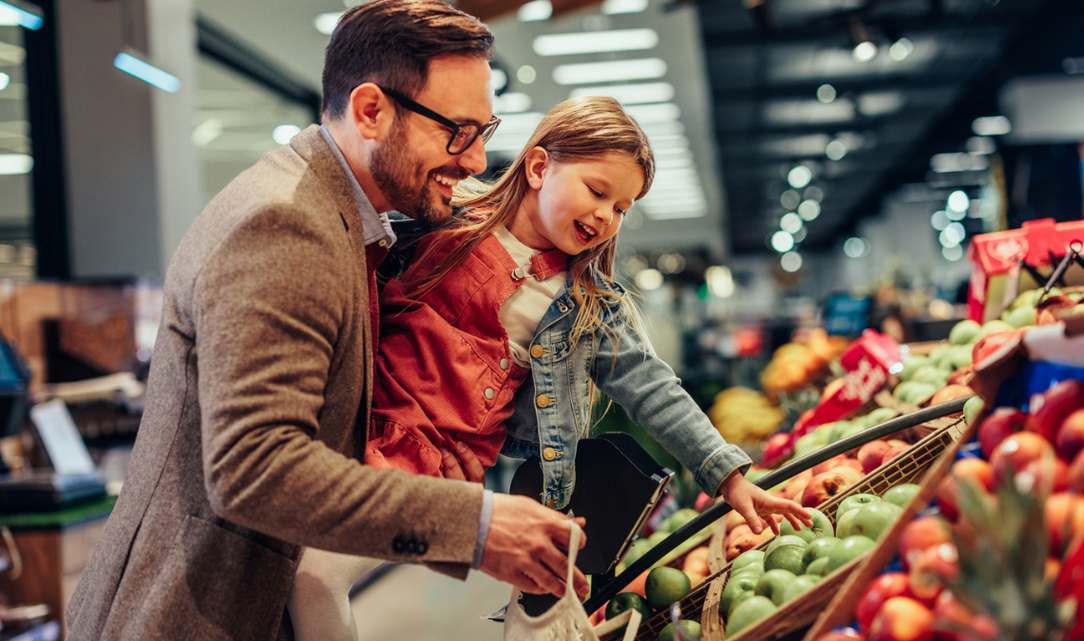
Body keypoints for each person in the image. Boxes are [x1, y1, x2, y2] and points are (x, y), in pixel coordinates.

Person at [65, 2, 589, 639]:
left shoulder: (343, 219)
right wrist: (476, 526)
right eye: (458, 131)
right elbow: (254, 468)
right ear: (371, 111)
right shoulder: (286, 224)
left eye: (485, 130)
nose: (477, 160)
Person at [288, 96, 813, 641]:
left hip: (428, 464)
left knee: (316, 575)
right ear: (539, 168)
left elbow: (654, 388)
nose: (606, 216)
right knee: (293, 569)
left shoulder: (590, 306)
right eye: (597, 191)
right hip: (344, 426)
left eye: (622, 208)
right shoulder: (440, 226)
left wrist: (729, 475)